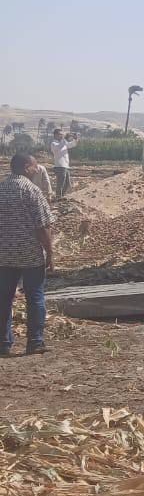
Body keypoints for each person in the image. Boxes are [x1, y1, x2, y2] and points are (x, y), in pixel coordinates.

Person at [0, 154, 55, 356]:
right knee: (35, 297)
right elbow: (42, 226)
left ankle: (3, 343)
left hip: (4, 255)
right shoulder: (31, 190)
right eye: (34, 166)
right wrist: (50, 252)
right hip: (30, 255)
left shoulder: (1, 188)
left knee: (3, 299)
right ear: (25, 167)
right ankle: (35, 342)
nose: (36, 169)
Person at [49, 129, 77, 198]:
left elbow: (72, 145)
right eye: (60, 134)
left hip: (65, 166)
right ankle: (58, 196)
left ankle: (61, 196)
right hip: (60, 166)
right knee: (61, 183)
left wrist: (75, 139)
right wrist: (65, 139)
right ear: (55, 135)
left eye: (62, 134)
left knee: (67, 183)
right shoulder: (54, 143)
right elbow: (59, 147)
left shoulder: (63, 143)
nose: (61, 136)